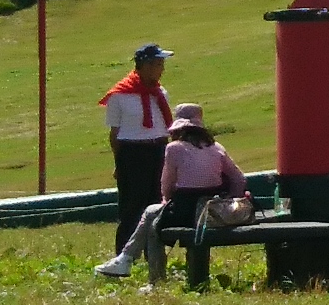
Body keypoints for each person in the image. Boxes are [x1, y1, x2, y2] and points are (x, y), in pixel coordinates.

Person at [108, 103, 256, 285]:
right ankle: (126, 258)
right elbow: (239, 179)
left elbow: (167, 185)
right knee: (153, 216)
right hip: (213, 212)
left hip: (187, 211)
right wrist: (229, 201)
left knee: (153, 221)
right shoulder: (216, 147)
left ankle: (147, 273)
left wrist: (167, 201)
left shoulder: (174, 149)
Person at [101, 44, 178, 239]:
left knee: (158, 202)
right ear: (146, 66)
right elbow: (114, 134)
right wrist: (119, 162)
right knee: (133, 205)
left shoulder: (160, 93)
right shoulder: (119, 95)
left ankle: (153, 248)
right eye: (158, 64)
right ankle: (125, 250)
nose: (162, 70)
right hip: (133, 151)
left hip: (159, 148)